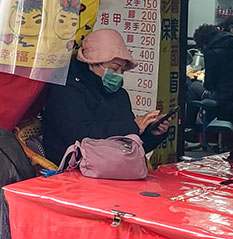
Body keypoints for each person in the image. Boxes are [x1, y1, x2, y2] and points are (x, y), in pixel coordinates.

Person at [40, 28, 170, 165]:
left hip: (114, 166)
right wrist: (133, 127)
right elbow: (80, 135)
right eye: (114, 68)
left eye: (122, 70)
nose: (118, 74)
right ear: (92, 63)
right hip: (73, 166)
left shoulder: (120, 95)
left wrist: (152, 133)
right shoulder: (66, 89)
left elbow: (131, 148)